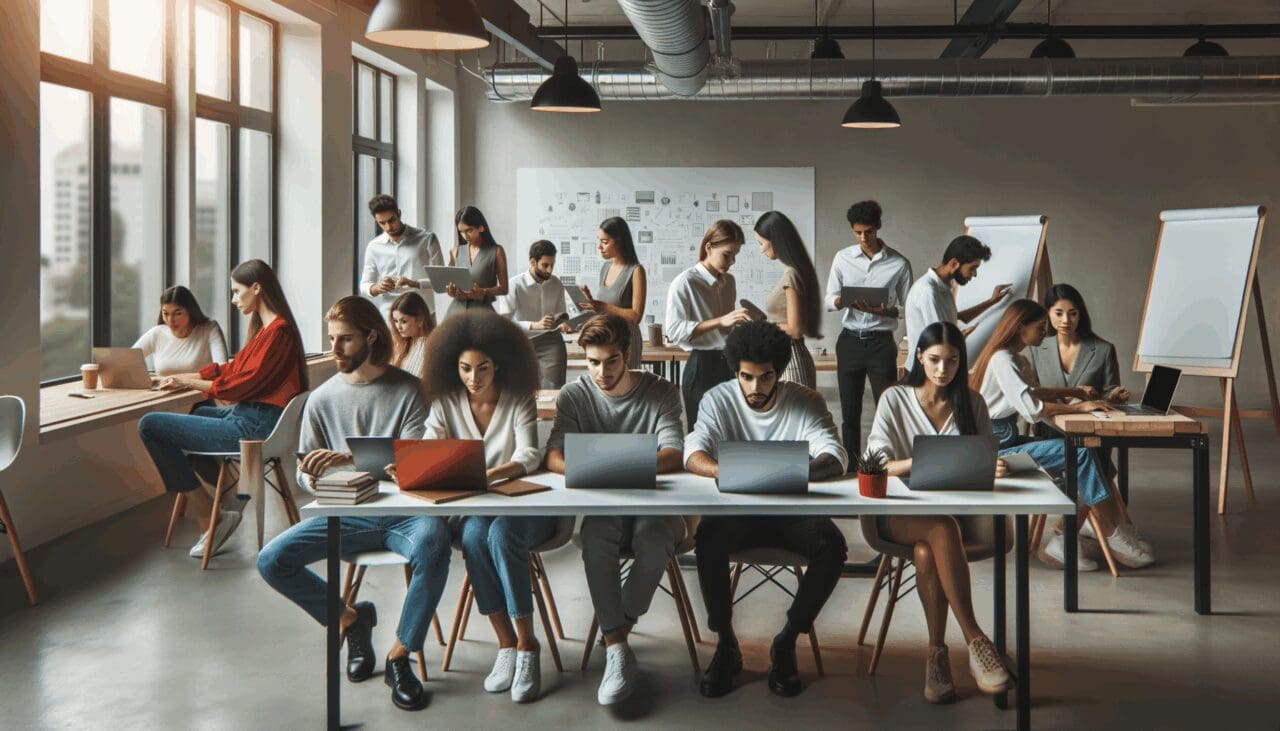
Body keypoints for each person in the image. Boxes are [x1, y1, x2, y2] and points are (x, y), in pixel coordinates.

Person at [257, 296, 440, 712]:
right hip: (347, 514)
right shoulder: (320, 399)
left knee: (434, 543)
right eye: (331, 339)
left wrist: (349, 460)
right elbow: (305, 474)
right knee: (271, 560)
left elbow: (415, 460)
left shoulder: (409, 391)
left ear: (371, 337)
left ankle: (400, 655)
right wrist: (316, 474)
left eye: (344, 340)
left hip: (406, 514)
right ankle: (350, 620)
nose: (334, 350)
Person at [686, 321, 848, 699]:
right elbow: (693, 452)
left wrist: (782, 474)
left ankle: (787, 640)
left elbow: (835, 456)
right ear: (734, 371)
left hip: (792, 511)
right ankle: (726, 644)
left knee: (833, 546)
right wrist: (730, 471)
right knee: (707, 537)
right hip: (736, 512)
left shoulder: (805, 399)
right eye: (746, 377)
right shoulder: (717, 399)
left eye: (765, 377)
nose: (755, 388)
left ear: (779, 371)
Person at [866, 321, 1014, 704]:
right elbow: (875, 463)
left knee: (927, 549)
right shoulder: (894, 399)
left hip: (958, 517)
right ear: (918, 356)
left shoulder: (972, 402)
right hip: (899, 512)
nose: (942, 369)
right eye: (934, 359)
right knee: (939, 527)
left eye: (951, 361)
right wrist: (920, 463)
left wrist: (992, 465)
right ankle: (976, 640)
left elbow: (984, 457)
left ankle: (937, 656)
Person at [543, 313, 686, 706]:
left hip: (656, 503)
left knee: (653, 538)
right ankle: (619, 649)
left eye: (610, 361)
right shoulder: (574, 394)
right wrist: (622, 463)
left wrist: (603, 463)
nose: (601, 372)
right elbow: (553, 455)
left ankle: (615, 629)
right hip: (603, 502)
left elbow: (674, 454)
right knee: (595, 538)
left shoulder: (662, 392)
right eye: (592, 362)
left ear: (627, 356)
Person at [418, 311, 552, 703]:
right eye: (464, 369)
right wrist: (416, 463)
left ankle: (529, 646)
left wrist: (489, 473)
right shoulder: (445, 403)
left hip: (518, 507)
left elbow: (530, 453)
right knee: (476, 534)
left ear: (500, 364)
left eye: (482, 368)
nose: (473, 378)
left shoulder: (518, 400)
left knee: (499, 532)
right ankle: (506, 642)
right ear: (452, 367)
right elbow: (430, 444)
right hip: (474, 507)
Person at [138, 259, 308, 558]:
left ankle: (211, 511)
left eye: (236, 291)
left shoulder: (278, 333)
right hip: (252, 417)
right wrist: (184, 378)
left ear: (256, 288)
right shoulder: (268, 329)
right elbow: (232, 368)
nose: (233, 299)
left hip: (254, 427)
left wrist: (188, 383)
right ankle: (228, 499)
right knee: (200, 413)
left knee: (150, 425)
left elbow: (239, 386)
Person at [971, 299, 1155, 570]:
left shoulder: (1012, 358)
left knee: (1083, 452)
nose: (1045, 332)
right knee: (1079, 453)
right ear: (1021, 327)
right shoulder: (1002, 360)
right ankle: (1107, 531)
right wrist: (1081, 406)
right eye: (1040, 326)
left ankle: (1077, 536)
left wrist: (1074, 392)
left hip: (1004, 437)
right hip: (994, 453)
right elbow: (1033, 409)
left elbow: (1033, 392)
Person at [822, 201, 914, 456]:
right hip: (849, 340)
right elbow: (829, 298)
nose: (863, 237)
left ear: (878, 227)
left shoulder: (899, 263)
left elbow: (909, 308)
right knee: (849, 413)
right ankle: (850, 468)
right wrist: (842, 300)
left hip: (881, 343)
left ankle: (884, 464)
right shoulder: (842, 258)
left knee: (886, 409)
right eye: (858, 232)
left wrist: (884, 311)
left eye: (869, 232)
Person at [665, 219, 753, 426]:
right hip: (701, 366)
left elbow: (725, 329)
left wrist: (740, 324)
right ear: (708, 247)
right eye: (727, 255)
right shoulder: (685, 282)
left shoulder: (729, 282)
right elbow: (674, 330)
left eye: (734, 256)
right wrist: (720, 321)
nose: (732, 262)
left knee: (730, 431)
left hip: (729, 363)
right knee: (701, 432)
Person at [903, 235, 1012, 371]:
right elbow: (940, 337)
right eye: (972, 268)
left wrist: (991, 301)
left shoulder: (944, 286)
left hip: (935, 367)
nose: (975, 274)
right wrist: (961, 336)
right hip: (924, 371)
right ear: (954, 264)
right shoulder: (928, 291)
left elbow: (956, 317)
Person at [1028, 283, 1130, 405]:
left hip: (1088, 422)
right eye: (1059, 313)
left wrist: (1114, 397)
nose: (1066, 320)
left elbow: (1111, 396)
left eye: (1073, 313)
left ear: (1080, 314)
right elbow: (1031, 394)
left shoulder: (1104, 350)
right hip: (1046, 423)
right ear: (1048, 313)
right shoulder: (1036, 348)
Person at [754, 210, 823, 388]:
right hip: (784, 357)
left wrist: (761, 327)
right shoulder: (792, 272)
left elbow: (795, 329)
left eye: (761, 243)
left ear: (775, 239)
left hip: (791, 360)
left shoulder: (791, 275)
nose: (761, 249)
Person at [496, 240, 572, 388]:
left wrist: (563, 323)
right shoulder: (514, 285)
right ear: (532, 262)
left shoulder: (557, 284)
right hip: (521, 342)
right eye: (545, 265)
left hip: (551, 341)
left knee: (555, 388)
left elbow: (561, 313)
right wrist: (534, 325)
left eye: (552, 265)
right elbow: (504, 323)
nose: (550, 270)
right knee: (521, 390)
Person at [576, 217, 647, 369]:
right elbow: (603, 311)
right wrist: (590, 308)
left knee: (627, 386)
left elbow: (636, 316)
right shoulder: (605, 268)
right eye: (599, 240)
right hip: (606, 339)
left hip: (627, 341)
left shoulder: (636, 271)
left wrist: (602, 306)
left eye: (605, 242)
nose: (599, 247)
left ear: (620, 241)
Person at [359, 194, 444, 319]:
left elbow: (441, 280)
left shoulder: (427, 238)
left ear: (399, 213)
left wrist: (413, 283)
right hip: (390, 316)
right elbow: (365, 285)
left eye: (391, 220)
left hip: (422, 314)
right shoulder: (373, 247)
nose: (388, 227)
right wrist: (377, 287)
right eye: (382, 223)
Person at [133, 285, 229, 376]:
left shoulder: (209, 328)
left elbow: (222, 369)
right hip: (164, 391)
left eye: (178, 313)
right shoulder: (157, 333)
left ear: (190, 311)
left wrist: (178, 380)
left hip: (200, 392)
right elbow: (126, 361)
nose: (170, 320)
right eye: (166, 314)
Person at [445, 206, 508, 319]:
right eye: (461, 232)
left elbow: (504, 288)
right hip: (455, 314)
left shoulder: (497, 251)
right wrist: (451, 291)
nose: (465, 236)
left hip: (482, 314)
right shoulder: (455, 252)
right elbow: (449, 282)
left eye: (469, 230)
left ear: (481, 228)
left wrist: (483, 291)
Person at [388, 290, 435, 382]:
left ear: (420, 320)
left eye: (404, 321)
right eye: (395, 321)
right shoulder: (404, 343)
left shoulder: (428, 347)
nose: (398, 327)